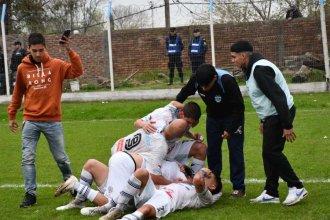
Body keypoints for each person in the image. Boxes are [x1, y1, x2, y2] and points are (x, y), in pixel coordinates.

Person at [54, 120, 195, 216]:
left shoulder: (155, 124)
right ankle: (77, 188)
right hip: (125, 166)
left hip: (118, 152)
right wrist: (173, 182)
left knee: (91, 164)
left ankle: (80, 199)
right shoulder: (161, 149)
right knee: (113, 203)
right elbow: (151, 175)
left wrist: (141, 122)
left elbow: (138, 122)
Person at [7, 32, 83, 208]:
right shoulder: (22, 68)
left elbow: (77, 71)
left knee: (61, 158)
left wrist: (69, 49)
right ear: (29, 49)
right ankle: (30, 194)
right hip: (30, 120)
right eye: (35, 51)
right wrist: (12, 115)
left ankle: (71, 185)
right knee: (27, 158)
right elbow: (17, 93)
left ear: (45, 48)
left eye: (41, 50)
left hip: (52, 121)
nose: (39, 54)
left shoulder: (56, 65)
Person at [230, 40, 308, 205]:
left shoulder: (260, 70)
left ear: (244, 56)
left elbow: (278, 96)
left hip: (280, 114)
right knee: (268, 153)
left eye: (234, 57)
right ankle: (271, 191)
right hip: (271, 116)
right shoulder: (252, 68)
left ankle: (296, 186)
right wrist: (262, 119)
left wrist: (287, 125)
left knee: (272, 152)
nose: (232, 60)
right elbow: (264, 97)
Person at [176, 63, 246, 199]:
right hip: (213, 118)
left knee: (235, 150)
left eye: (206, 86)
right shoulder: (197, 79)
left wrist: (230, 128)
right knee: (213, 151)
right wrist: (172, 108)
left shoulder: (226, 80)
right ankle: (215, 185)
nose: (203, 88)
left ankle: (238, 188)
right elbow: (183, 93)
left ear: (214, 78)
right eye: (201, 86)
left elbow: (239, 107)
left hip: (232, 117)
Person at [98, 167, 222, 220]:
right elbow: (194, 180)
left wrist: (203, 171)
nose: (206, 175)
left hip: (167, 201)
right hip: (156, 193)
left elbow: (198, 180)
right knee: (141, 172)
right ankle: (116, 209)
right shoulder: (188, 185)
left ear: (212, 186)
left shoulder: (207, 198)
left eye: (209, 176)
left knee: (146, 209)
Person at [134, 101, 206, 175]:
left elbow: (174, 104)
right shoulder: (164, 114)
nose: (190, 126)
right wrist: (143, 124)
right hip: (155, 150)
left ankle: (194, 180)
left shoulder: (185, 116)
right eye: (188, 122)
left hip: (171, 148)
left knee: (201, 148)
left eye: (193, 123)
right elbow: (137, 122)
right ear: (181, 113)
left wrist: (192, 136)